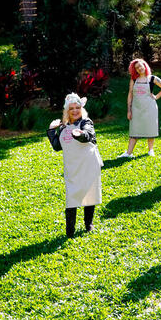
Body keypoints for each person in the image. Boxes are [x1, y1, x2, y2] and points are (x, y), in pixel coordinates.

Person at [47, 93, 103, 237]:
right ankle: (70, 231)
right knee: (71, 197)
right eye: (71, 108)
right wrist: (51, 130)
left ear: (81, 109)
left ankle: (88, 224)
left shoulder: (86, 123)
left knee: (90, 193)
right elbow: (57, 146)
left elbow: (89, 135)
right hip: (72, 167)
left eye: (77, 107)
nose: (75, 110)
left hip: (88, 164)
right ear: (67, 111)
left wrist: (80, 134)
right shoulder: (64, 127)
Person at [117, 59, 161, 158]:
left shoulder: (152, 78)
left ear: (145, 66)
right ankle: (128, 153)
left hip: (150, 107)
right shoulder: (134, 79)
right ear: (134, 70)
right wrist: (129, 110)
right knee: (134, 129)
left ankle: (150, 150)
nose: (139, 68)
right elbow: (130, 94)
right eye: (137, 68)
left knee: (150, 128)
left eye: (141, 66)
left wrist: (156, 97)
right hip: (136, 108)